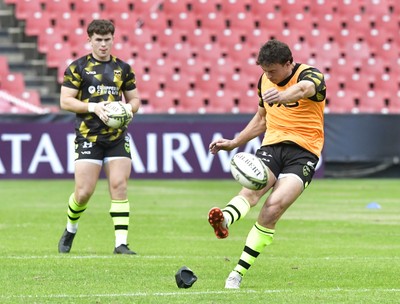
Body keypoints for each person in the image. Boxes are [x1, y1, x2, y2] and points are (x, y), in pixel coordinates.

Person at [208, 39, 326, 288]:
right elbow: (262, 118)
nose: (268, 76)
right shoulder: (265, 81)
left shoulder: (311, 74)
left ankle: (237, 272)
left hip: (304, 153)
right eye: (264, 71)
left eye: (272, 71)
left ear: (288, 64)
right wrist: (234, 142)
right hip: (271, 146)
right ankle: (225, 220)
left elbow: (305, 89)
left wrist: (283, 96)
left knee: (273, 207)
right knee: (251, 191)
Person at [58, 19, 141, 254]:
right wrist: (94, 108)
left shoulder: (123, 69)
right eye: (98, 40)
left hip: (116, 137)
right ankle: (70, 229)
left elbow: (135, 100)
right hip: (88, 137)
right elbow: (65, 101)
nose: (103, 45)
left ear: (113, 39)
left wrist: (128, 109)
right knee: (83, 192)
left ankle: (121, 244)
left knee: (119, 185)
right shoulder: (78, 67)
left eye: (107, 40)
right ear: (90, 40)